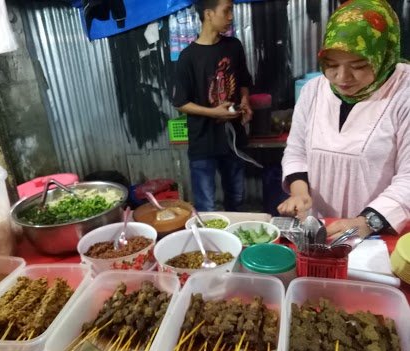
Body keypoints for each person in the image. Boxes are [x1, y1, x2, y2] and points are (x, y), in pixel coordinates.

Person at [278, 0, 410, 237]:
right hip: (321, 228)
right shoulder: (313, 90)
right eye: (331, 65)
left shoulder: (403, 92)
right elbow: (297, 151)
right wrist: (299, 192)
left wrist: (366, 222)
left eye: (358, 65)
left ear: (383, 53)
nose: (342, 77)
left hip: (380, 231)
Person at [172, 0, 254, 211]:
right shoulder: (187, 57)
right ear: (208, 14)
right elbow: (181, 103)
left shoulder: (233, 46)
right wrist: (212, 112)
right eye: (226, 11)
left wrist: (245, 102)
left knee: (236, 198)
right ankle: (209, 243)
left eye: (231, 11)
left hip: (232, 140)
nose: (231, 17)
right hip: (203, 143)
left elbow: (244, 81)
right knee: (206, 205)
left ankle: (234, 241)